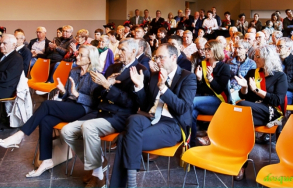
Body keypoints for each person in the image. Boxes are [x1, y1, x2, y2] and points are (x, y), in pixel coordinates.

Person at [0, 45, 100, 177]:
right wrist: (63, 91)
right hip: (69, 105)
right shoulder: (74, 70)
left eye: (81, 55)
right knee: (46, 120)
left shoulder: (95, 75)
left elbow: (95, 102)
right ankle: (46, 160)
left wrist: (77, 95)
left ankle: (20, 135)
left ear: (90, 59)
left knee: (46, 104)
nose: (77, 56)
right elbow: (66, 94)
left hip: (83, 109)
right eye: (78, 54)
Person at [61, 39, 150, 188]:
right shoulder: (113, 67)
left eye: (122, 49)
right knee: (66, 131)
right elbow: (97, 94)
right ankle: (99, 162)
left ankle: (98, 175)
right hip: (101, 111)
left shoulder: (141, 70)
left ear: (133, 51)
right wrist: (103, 85)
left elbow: (132, 104)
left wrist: (108, 86)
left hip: (120, 116)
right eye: (118, 49)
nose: (118, 52)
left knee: (88, 127)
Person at [110, 43, 197, 188]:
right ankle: (130, 184)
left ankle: (129, 184)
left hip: (172, 124)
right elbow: (145, 106)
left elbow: (182, 108)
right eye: (156, 57)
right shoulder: (155, 75)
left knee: (124, 138)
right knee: (133, 119)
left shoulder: (188, 77)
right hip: (151, 118)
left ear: (173, 57)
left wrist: (163, 88)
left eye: (161, 58)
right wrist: (139, 86)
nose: (157, 61)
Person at [235, 45, 288, 179]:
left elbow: (277, 100)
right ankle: (241, 164)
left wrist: (257, 90)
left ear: (268, 59)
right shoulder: (253, 72)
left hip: (272, 112)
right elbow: (245, 97)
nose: (255, 59)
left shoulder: (280, 76)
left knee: (240, 106)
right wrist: (244, 88)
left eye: (258, 57)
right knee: (242, 122)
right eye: (255, 55)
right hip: (253, 110)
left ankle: (239, 164)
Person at [191, 40, 231, 146]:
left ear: (216, 50)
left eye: (208, 49)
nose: (205, 51)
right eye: (205, 48)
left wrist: (210, 79)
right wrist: (199, 79)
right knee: (191, 112)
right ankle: (191, 143)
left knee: (190, 101)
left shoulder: (224, 67)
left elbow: (219, 90)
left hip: (218, 101)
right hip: (203, 100)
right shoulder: (202, 64)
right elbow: (200, 89)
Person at [276, 38, 293, 105]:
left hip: (292, 92)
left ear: (289, 48)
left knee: (276, 96)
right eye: (276, 46)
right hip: (276, 89)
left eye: (280, 46)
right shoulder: (275, 61)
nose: (277, 49)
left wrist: (280, 85)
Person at [0, 34, 23, 99]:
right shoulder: (2, 54)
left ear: (13, 45)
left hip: (5, 88)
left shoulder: (17, 58)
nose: (1, 46)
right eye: (1, 43)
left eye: (4, 43)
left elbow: (6, 78)